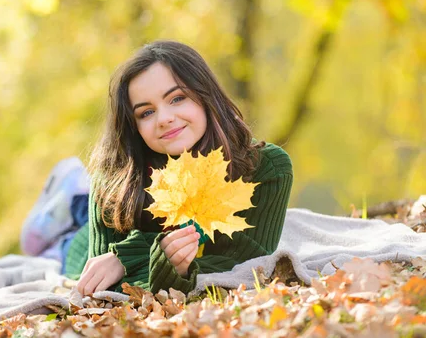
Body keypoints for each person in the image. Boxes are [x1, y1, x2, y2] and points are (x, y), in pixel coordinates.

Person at [20, 40, 293, 296]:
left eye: (177, 98)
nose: (164, 118)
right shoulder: (114, 179)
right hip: (80, 248)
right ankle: (71, 203)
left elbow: (244, 265)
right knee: (67, 248)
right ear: (133, 126)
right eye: (146, 113)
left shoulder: (267, 167)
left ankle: (75, 200)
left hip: (131, 245)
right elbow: (104, 282)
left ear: (206, 96)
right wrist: (135, 259)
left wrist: (128, 257)